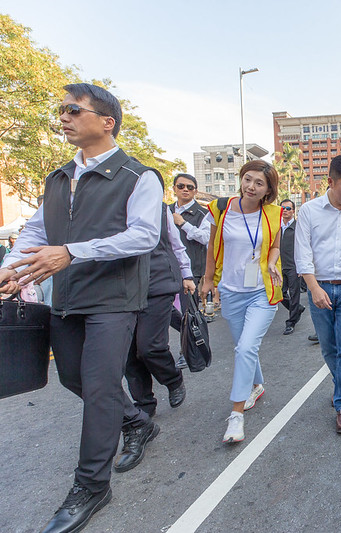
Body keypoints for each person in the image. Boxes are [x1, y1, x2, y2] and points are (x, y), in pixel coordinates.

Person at [0, 83, 162, 533]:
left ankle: (92, 485)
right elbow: (36, 231)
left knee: (99, 383)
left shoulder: (138, 175)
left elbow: (144, 236)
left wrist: (71, 251)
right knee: (74, 379)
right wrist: (12, 267)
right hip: (65, 298)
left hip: (113, 298)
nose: (64, 117)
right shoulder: (57, 177)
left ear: (106, 122)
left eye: (74, 109)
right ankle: (137, 422)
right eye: (61, 110)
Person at [200, 160, 283, 444]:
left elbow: (274, 246)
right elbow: (211, 246)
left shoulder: (274, 213)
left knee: (246, 347)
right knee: (244, 347)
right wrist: (208, 279)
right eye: (248, 179)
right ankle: (256, 386)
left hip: (262, 291)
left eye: (259, 183)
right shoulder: (219, 209)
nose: (251, 186)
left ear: (268, 190)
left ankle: (236, 416)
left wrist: (272, 263)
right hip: (232, 290)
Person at [295, 154, 341, 433]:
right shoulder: (309, 211)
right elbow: (303, 253)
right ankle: (340, 387)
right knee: (328, 347)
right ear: (331, 182)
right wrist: (313, 287)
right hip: (318, 287)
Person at [123, 203, 194, 423]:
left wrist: (186, 274)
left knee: (148, 347)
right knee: (128, 352)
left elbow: (176, 245)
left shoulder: (159, 208)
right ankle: (143, 402)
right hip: (120, 288)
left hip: (158, 283)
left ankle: (173, 379)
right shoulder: (104, 206)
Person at [169, 173, 210, 366]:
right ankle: (196, 332)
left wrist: (183, 224)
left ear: (195, 191)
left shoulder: (202, 213)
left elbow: (205, 238)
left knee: (188, 310)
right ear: (174, 188)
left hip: (192, 269)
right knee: (166, 310)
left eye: (190, 187)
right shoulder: (165, 210)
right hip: (166, 267)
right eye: (181, 186)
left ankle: (187, 350)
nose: (185, 189)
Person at [279, 198, 305, 335]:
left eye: (288, 208)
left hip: (294, 266)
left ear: (293, 211)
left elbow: (303, 246)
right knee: (280, 293)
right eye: (282, 208)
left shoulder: (297, 227)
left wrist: (301, 265)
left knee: (294, 294)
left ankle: (291, 322)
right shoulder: (277, 227)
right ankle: (297, 309)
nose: (285, 210)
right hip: (279, 266)